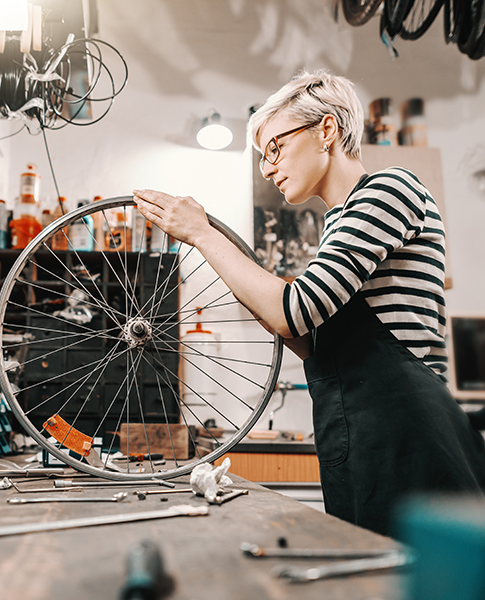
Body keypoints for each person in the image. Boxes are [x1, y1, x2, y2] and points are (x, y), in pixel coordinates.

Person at [133, 69, 485, 536]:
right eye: (262, 157)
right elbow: (307, 337)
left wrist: (202, 234)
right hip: (363, 438)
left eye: (274, 148)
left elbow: (293, 309)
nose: (268, 167)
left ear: (326, 130)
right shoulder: (340, 222)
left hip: (411, 437)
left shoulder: (390, 190)